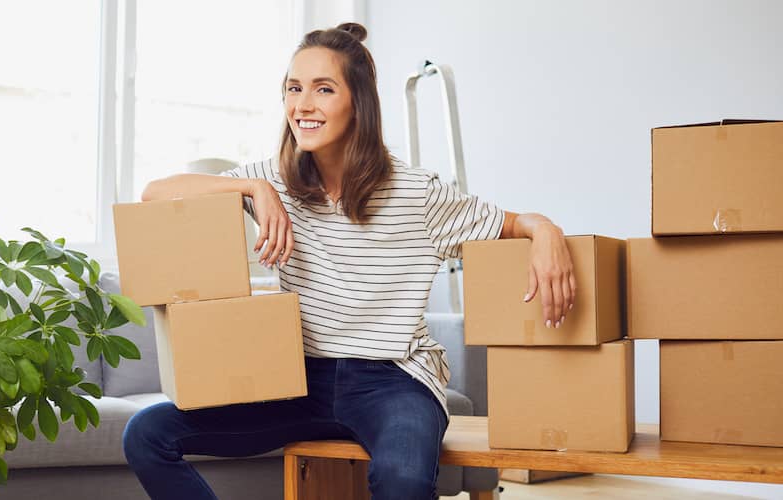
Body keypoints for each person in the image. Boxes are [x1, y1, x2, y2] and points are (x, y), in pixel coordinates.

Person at [123, 22, 575, 500]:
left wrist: (544, 230)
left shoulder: (416, 192)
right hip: (297, 378)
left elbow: (514, 222)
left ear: (357, 101)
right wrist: (250, 188)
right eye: (294, 89)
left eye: (323, 89)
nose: (303, 105)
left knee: (402, 480)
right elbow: (155, 193)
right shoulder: (271, 180)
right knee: (147, 434)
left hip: (395, 380)